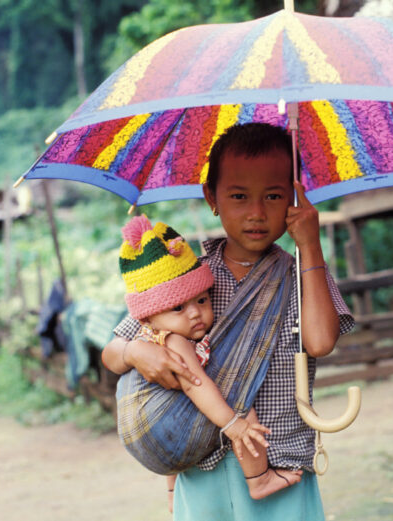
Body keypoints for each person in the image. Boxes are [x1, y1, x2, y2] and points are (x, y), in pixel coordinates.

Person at [103, 122, 354, 521]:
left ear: (294, 198)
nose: (256, 213)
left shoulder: (303, 275)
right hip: (202, 465)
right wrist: (136, 352)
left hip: (279, 465)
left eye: (274, 196)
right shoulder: (186, 277)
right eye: (239, 196)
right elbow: (112, 352)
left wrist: (310, 244)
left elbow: (321, 342)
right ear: (212, 197)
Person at [114, 214, 302, 505]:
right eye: (178, 308)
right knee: (241, 399)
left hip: (154, 441)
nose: (195, 313)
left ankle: (172, 492)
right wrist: (233, 425)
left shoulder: (155, 335)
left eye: (202, 300)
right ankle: (259, 479)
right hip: (163, 429)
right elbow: (196, 385)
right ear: (148, 316)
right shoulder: (174, 341)